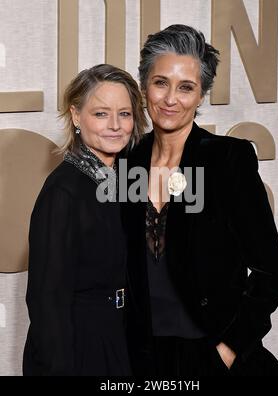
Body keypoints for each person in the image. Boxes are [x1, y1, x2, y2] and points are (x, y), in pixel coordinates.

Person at [123, 25, 278, 376]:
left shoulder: (227, 160)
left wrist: (227, 350)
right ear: (143, 86)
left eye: (186, 87)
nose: (171, 99)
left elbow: (272, 273)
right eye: (160, 82)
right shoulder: (126, 164)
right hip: (143, 358)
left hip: (213, 356)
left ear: (201, 96)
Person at [23, 64, 147, 376]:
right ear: (77, 116)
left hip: (123, 337)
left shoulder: (126, 183)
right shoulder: (64, 191)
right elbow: (46, 301)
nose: (115, 125)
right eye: (101, 113)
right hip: (80, 347)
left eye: (125, 114)